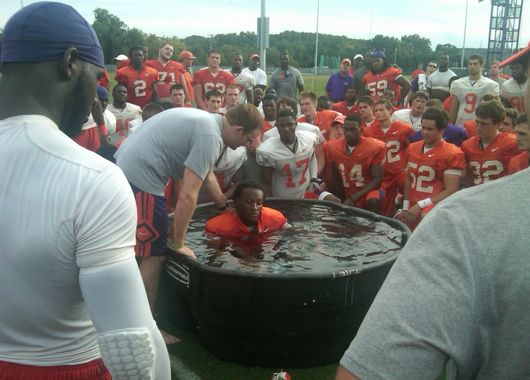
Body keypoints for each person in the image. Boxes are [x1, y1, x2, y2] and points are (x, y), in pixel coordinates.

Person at [0, 2, 170, 379]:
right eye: (96, 77)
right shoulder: (93, 179)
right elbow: (133, 346)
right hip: (62, 366)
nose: (96, 95)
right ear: (70, 62)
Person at [336, 156, 530, 380]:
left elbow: (452, 187)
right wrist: (409, 204)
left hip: (439, 213)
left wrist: (424, 205)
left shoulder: (460, 219)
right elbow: (410, 178)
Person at [114, 104, 262, 340]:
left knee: (142, 250)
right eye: (249, 139)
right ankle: (144, 329)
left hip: (128, 167)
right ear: (238, 129)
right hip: (140, 177)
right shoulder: (211, 137)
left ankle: (131, 314)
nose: (248, 145)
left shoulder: (212, 123)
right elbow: (187, 195)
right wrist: (179, 242)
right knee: (155, 255)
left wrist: (223, 205)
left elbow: (206, 173)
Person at [396, 107, 465, 229]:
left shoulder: (452, 153)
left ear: (442, 130)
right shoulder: (412, 148)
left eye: (430, 129)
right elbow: (408, 180)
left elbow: (451, 190)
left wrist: (421, 205)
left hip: (434, 205)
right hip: (412, 204)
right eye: (423, 128)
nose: (425, 132)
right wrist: (405, 207)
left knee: (426, 217)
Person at [323, 115, 386, 213]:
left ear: (361, 130)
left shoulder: (375, 147)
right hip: (347, 189)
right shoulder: (333, 147)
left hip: (368, 190)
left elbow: (377, 180)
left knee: (372, 201)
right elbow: (335, 177)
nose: (349, 133)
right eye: (346, 129)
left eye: (353, 130)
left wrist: (353, 198)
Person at [364, 99, 413, 216]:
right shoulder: (368, 131)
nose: (378, 113)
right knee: (383, 207)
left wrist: (407, 167)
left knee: (411, 186)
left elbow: (412, 149)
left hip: (398, 172)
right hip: (381, 175)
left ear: (390, 110)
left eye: (381, 110)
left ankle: (406, 210)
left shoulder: (404, 128)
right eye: (376, 110)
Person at [257, 109, 318, 198]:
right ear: (276, 127)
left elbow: (312, 157)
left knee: (333, 200)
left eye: (290, 124)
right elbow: (267, 183)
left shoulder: (308, 139)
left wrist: (314, 178)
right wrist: (271, 202)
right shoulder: (267, 150)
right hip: (282, 198)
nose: (286, 129)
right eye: (282, 125)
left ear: (296, 124)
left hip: (306, 191)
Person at [461, 100, 519, 186]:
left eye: (484, 124)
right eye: (477, 122)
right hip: (476, 194)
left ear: (499, 124)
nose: (479, 127)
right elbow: (466, 178)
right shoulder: (467, 145)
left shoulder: (511, 143)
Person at [205, 181, 287, 237]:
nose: (254, 208)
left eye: (259, 203)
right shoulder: (218, 227)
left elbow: (288, 231)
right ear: (237, 202)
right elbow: (216, 254)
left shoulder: (275, 218)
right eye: (248, 202)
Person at [449, 55, 499, 126]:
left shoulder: (491, 84)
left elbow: (493, 110)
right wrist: (450, 125)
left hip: (479, 125)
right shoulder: (457, 83)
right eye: (470, 64)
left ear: (481, 65)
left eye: (475, 64)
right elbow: (454, 108)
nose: (472, 66)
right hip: (460, 124)